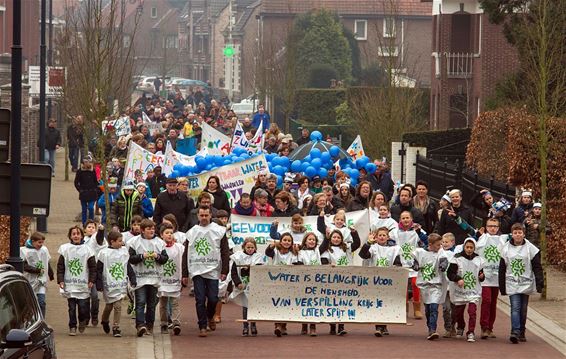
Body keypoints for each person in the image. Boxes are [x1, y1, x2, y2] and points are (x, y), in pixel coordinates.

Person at [182, 206, 230, 337]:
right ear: (198, 216)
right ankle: (202, 326)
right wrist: (185, 273)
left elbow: (225, 251)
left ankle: (210, 317)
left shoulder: (219, 231)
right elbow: (186, 253)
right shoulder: (192, 232)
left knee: (213, 298)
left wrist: (225, 269)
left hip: (213, 269)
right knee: (200, 299)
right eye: (201, 215)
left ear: (210, 216)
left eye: (206, 215)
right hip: (197, 270)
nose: (204, 218)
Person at [499, 223, 543, 344]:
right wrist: (502, 286)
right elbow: (502, 268)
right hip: (512, 283)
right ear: (512, 234)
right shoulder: (506, 249)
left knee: (523, 309)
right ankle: (515, 331)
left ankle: (522, 331)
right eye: (515, 233)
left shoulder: (530, 248)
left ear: (523, 234)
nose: (518, 235)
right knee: (515, 307)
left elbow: (537, 266)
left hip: (526, 282)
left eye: (520, 233)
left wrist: (540, 281)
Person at [318, 216, 360, 336]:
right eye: (334, 237)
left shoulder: (346, 247)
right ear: (331, 238)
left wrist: (354, 232)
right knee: (332, 303)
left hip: (345, 279)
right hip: (331, 280)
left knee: (342, 303)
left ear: (342, 239)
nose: (336, 239)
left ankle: (341, 326)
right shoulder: (327, 250)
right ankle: (332, 326)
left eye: (338, 237)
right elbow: (324, 260)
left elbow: (357, 244)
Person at [128, 219, 169, 337]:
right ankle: (140, 325)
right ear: (142, 230)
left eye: (153, 228)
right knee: (140, 301)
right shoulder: (134, 242)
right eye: (148, 229)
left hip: (154, 278)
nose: (151, 230)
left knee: (151, 303)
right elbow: (131, 258)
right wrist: (142, 256)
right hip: (140, 277)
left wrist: (157, 256)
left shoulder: (159, 242)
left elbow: (165, 259)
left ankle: (150, 325)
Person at [358, 227, 401, 337]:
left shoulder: (395, 249)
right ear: (376, 237)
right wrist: (367, 243)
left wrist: (397, 266)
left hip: (388, 279)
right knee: (377, 303)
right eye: (379, 235)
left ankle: (384, 325)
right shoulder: (373, 248)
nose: (381, 237)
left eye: (384, 235)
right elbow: (363, 255)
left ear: (388, 237)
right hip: (375, 280)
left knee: (386, 302)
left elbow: (398, 261)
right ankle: (378, 327)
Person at [57, 225, 97, 336]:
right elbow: (60, 266)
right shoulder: (65, 249)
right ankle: (72, 326)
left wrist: (91, 280)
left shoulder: (88, 250)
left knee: (83, 307)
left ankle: (82, 321)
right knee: (71, 307)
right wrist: (60, 280)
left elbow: (93, 268)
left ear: (82, 236)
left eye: (78, 234)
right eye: (73, 234)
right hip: (69, 284)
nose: (76, 236)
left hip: (83, 284)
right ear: (70, 236)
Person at [96, 231, 136, 338]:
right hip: (109, 283)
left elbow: (127, 266)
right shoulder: (104, 253)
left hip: (120, 284)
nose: (122, 243)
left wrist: (132, 278)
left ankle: (116, 327)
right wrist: (98, 284)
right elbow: (99, 269)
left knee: (118, 306)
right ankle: (104, 320)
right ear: (112, 242)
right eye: (119, 241)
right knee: (109, 305)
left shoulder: (124, 252)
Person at [390, 211, 429, 320]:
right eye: (403, 218)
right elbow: (388, 242)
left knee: (415, 283)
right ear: (400, 220)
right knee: (403, 286)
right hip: (400, 262)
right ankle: (404, 308)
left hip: (414, 263)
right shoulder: (395, 232)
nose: (405, 220)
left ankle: (417, 309)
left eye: (407, 218)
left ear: (411, 219)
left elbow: (426, 242)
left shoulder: (417, 230)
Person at [447, 237, 485, 342]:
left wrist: (482, 277)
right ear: (464, 247)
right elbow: (450, 274)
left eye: (471, 247)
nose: (469, 249)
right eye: (467, 247)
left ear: (474, 248)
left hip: (473, 290)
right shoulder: (456, 258)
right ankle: (461, 326)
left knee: (472, 311)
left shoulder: (479, 260)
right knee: (458, 312)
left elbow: (481, 275)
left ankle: (471, 332)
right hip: (460, 290)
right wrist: (457, 279)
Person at [412, 233, 449, 340]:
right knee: (428, 309)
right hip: (425, 285)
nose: (440, 247)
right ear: (431, 244)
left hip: (436, 285)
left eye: (441, 244)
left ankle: (433, 329)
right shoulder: (420, 252)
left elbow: (444, 261)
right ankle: (430, 326)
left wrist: (443, 266)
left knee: (434, 307)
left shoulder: (441, 253)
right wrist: (416, 265)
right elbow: (415, 263)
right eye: (438, 245)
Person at [476, 217, 508, 339]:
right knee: (486, 300)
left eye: (495, 226)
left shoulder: (502, 239)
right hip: (485, 276)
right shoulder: (481, 238)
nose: (492, 228)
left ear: (498, 227)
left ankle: (490, 327)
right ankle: (484, 327)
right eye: (490, 226)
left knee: (493, 302)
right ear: (486, 227)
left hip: (497, 276)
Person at [230, 238, 265, 337]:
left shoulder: (258, 257)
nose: (250, 249)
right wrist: (237, 283)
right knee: (245, 306)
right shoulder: (238, 257)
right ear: (244, 247)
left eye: (252, 247)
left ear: (255, 248)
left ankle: (253, 325)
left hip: (254, 285)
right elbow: (234, 272)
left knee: (253, 306)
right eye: (248, 247)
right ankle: (245, 326)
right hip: (243, 285)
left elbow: (261, 271)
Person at [265, 232, 297, 336]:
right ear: (281, 241)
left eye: (289, 241)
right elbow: (268, 253)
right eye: (285, 240)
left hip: (289, 282)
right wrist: (271, 246)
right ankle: (277, 325)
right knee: (277, 303)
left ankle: (283, 325)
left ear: (291, 242)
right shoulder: (275, 251)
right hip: (276, 282)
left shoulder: (294, 253)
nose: (287, 242)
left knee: (286, 304)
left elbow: (297, 264)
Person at [157, 223, 184, 336]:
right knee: (163, 302)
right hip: (162, 280)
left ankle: (176, 322)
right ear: (161, 235)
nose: (169, 235)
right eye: (167, 233)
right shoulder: (159, 247)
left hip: (175, 279)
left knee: (175, 302)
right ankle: (163, 323)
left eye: (171, 233)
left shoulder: (179, 247)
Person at [293, 232, 321, 336]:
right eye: (310, 239)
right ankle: (304, 325)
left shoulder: (317, 251)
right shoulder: (300, 252)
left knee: (313, 304)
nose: (312, 241)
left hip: (316, 281)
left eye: (314, 240)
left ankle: (313, 326)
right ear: (305, 241)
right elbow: (299, 264)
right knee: (304, 303)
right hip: (304, 281)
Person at [21, 232, 54, 317]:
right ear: (33, 241)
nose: (41, 245)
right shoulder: (24, 251)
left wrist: (50, 273)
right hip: (29, 280)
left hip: (41, 281)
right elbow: (24, 265)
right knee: (29, 303)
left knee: (41, 302)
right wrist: (36, 270)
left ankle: (42, 320)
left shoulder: (44, 249)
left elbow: (46, 261)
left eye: (42, 242)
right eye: (39, 242)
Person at [83, 221, 106, 326]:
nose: (91, 229)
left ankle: (95, 316)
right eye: (89, 227)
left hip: (94, 271)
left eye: (93, 227)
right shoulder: (82, 241)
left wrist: (101, 231)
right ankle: (86, 317)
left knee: (95, 296)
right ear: (84, 229)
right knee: (85, 297)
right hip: (83, 272)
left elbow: (100, 239)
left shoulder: (96, 239)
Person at [74, 157, 99, 225]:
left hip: (92, 193)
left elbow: (95, 181)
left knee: (91, 208)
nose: (87, 163)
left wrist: (95, 189)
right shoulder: (80, 171)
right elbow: (76, 182)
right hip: (83, 193)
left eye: (89, 162)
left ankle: (91, 222)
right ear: (83, 163)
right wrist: (80, 190)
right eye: (86, 162)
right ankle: (84, 224)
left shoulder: (92, 170)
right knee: (84, 210)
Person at [441, 232, 456, 338]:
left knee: (454, 308)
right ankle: (448, 327)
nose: (444, 244)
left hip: (454, 284)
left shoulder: (457, 252)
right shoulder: (439, 252)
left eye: (447, 242)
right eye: (443, 242)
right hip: (443, 284)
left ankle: (454, 326)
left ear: (453, 242)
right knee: (446, 308)